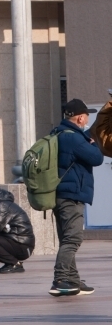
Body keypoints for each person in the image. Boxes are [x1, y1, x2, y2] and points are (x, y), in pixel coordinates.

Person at [47, 99, 104, 297]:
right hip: (71, 196)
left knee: (66, 238)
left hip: (61, 194)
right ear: (80, 117)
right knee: (73, 238)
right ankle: (61, 279)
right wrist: (95, 143)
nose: (87, 119)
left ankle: (72, 279)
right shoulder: (74, 138)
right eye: (86, 115)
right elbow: (97, 158)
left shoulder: (58, 133)